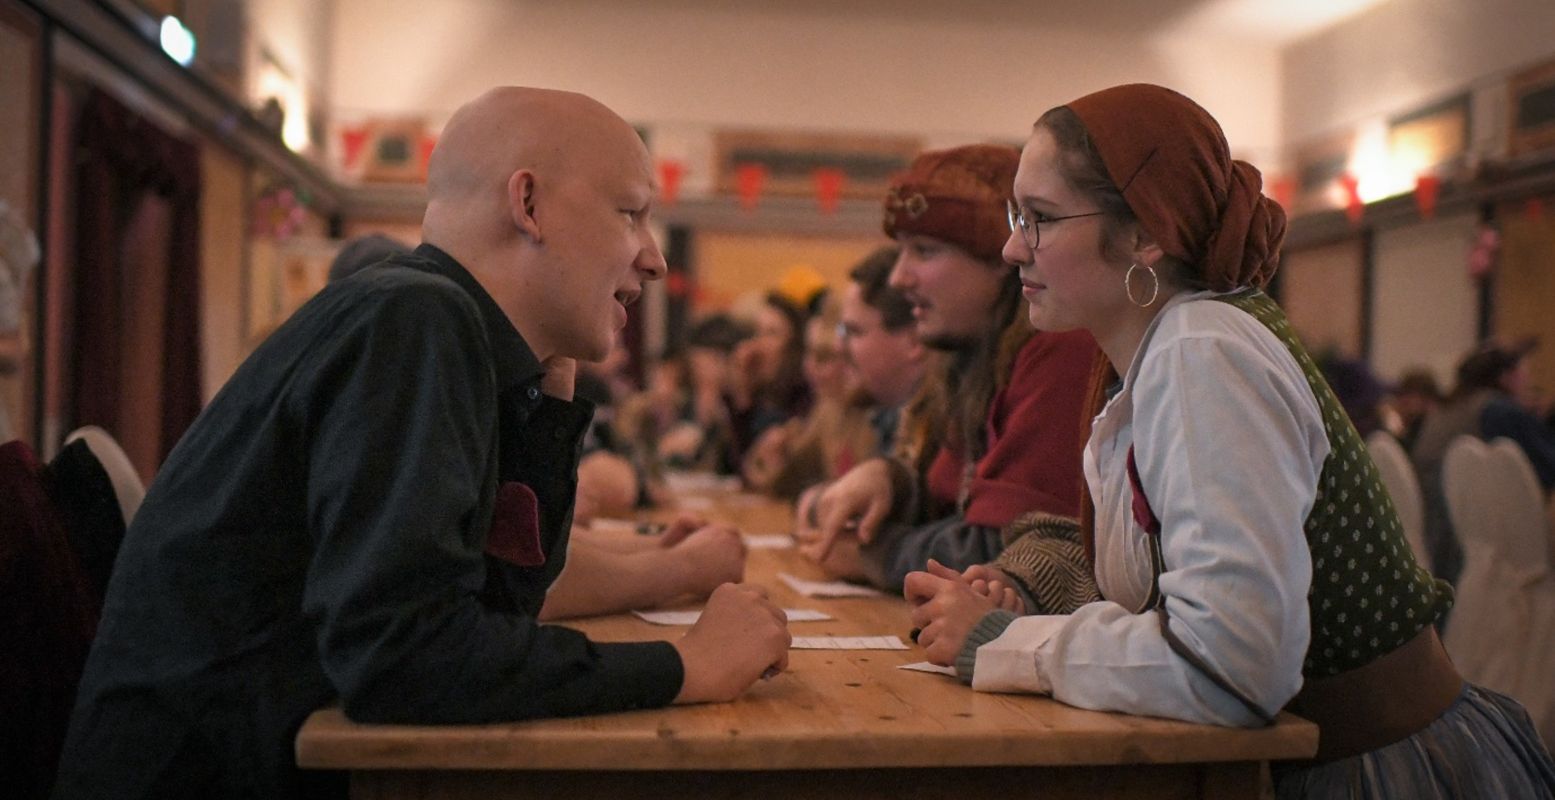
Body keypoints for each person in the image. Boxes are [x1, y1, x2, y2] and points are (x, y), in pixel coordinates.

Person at [53, 87, 790, 800]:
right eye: (630, 213)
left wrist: (547, 403)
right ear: (527, 204)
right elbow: (403, 662)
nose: (654, 259)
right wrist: (684, 666)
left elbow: (497, 608)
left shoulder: (443, 324)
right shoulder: (415, 320)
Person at [906, 83, 1554, 798]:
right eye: (1013, 216)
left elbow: (1232, 665)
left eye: (1041, 219)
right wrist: (1030, 597)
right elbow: (1177, 594)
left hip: (1376, 772)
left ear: (1146, 234)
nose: (1009, 247)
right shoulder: (1160, 348)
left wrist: (1002, 642)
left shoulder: (1202, 351)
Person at [797, 144, 1097, 591]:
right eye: (901, 251)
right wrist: (891, 481)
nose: (899, 278)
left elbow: (1002, 552)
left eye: (925, 250)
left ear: (1000, 258)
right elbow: (950, 501)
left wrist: (874, 555)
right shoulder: (977, 356)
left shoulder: (1060, 346)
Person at [1411, 337, 1555, 585]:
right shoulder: (1497, 410)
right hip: (1478, 552)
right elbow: (1548, 467)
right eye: (1523, 372)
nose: (1527, 379)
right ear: (1505, 377)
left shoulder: (1444, 411)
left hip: (1436, 542)